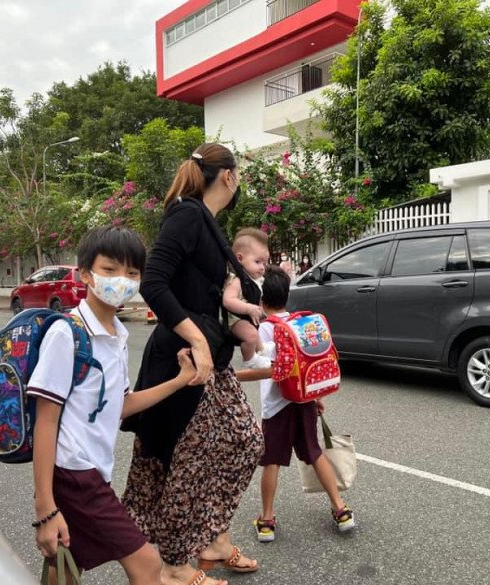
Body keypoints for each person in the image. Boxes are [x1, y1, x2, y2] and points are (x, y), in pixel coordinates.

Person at [121, 144, 263, 585]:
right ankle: (177, 567)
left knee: (244, 442)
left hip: (211, 362)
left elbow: (220, 294)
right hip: (183, 360)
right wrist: (197, 337)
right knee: (182, 464)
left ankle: (213, 540)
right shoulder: (186, 214)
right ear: (228, 177)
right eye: (239, 175)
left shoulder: (208, 223)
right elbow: (153, 283)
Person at [29, 226, 198, 584]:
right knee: (147, 563)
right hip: (75, 472)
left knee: (65, 564)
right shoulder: (67, 334)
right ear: (86, 273)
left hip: (93, 470)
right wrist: (44, 506)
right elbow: (45, 421)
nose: (121, 280)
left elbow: (119, 406)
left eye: (132, 273)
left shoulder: (117, 335)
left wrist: (181, 381)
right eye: (110, 270)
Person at [237, 266, 355, 544]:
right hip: (303, 401)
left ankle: (266, 521)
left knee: (271, 462)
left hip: (276, 407)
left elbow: (262, 368)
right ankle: (341, 510)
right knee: (314, 454)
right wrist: (316, 397)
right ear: (286, 296)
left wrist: (234, 376)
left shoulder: (264, 329)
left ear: (261, 302)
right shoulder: (300, 324)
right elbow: (307, 364)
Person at [223, 228, 272, 368]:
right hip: (233, 319)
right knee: (251, 334)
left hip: (242, 317)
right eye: (258, 262)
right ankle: (250, 359)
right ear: (240, 258)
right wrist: (249, 308)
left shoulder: (251, 279)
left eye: (264, 263)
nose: (263, 267)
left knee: (255, 330)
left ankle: (261, 349)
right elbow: (228, 300)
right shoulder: (237, 279)